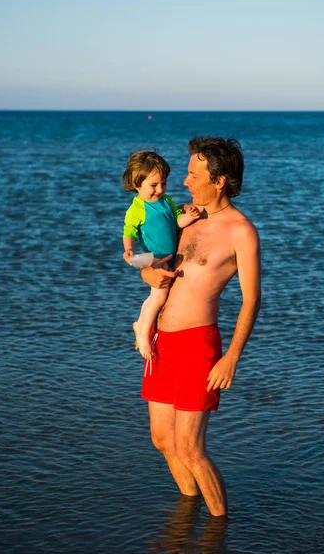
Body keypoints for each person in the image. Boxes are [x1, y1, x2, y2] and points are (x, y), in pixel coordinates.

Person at [123, 136, 261, 516]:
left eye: (192, 174)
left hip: (198, 344)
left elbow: (252, 300)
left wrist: (231, 357)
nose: (184, 182)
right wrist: (147, 273)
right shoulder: (183, 217)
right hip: (161, 340)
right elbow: (156, 264)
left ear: (218, 181)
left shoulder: (240, 231)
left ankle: (219, 528)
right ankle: (188, 513)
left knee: (190, 447)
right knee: (162, 440)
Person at [122, 149, 200, 359]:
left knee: (154, 297)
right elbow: (129, 230)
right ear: (137, 184)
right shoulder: (138, 207)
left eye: (163, 183)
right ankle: (144, 337)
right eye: (153, 185)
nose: (159, 190)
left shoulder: (167, 201)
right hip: (154, 257)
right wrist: (129, 248)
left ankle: (140, 324)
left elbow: (176, 221)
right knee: (159, 296)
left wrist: (189, 218)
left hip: (167, 256)